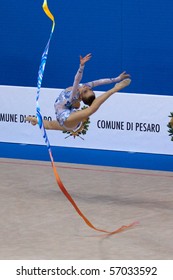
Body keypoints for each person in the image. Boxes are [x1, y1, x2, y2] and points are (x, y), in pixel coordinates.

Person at [26, 53, 131, 132]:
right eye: (89, 89)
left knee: (90, 111)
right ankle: (36, 120)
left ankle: (114, 90)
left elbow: (76, 80)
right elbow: (100, 82)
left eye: (86, 90)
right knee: (49, 125)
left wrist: (81, 66)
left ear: (80, 95)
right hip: (67, 115)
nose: (87, 87)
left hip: (67, 119)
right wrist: (117, 78)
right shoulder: (84, 87)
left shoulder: (73, 95)